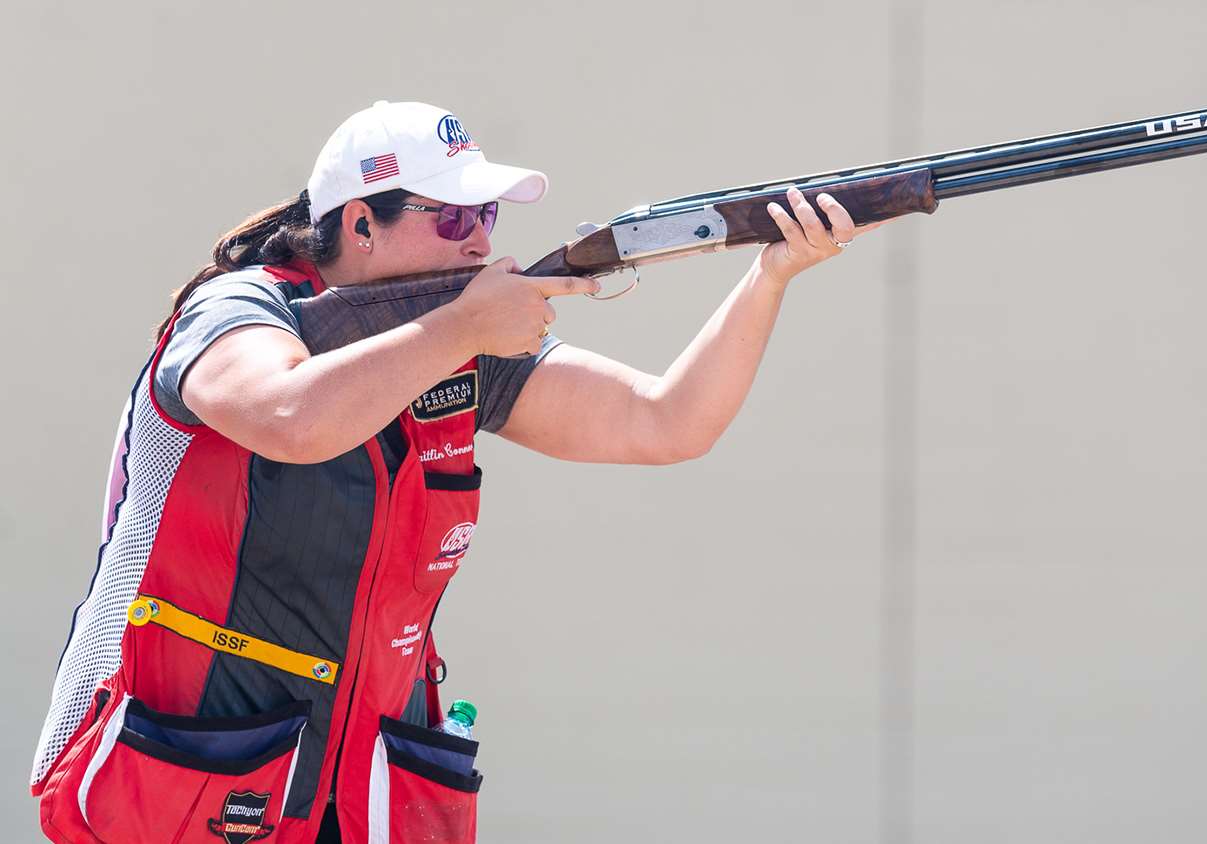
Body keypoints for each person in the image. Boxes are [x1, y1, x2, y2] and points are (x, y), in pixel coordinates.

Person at [30, 100, 881, 843]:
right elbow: (291, 418)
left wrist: (771, 277)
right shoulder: (239, 309)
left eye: (488, 219)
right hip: (185, 782)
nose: (478, 243)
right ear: (360, 224)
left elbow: (665, 422)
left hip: (358, 789)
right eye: (451, 219)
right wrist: (459, 330)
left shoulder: (460, 338)